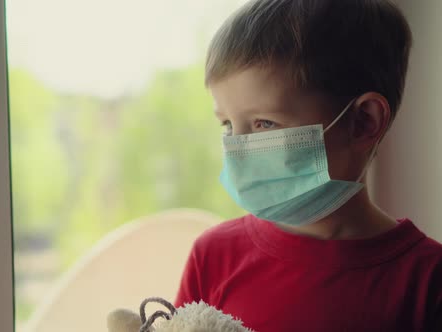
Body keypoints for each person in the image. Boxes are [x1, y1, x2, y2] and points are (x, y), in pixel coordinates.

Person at [174, 1, 442, 331]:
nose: (238, 148)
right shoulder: (213, 257)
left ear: (363, 121)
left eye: (264, 123)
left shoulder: (428, 281)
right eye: (227, 125)